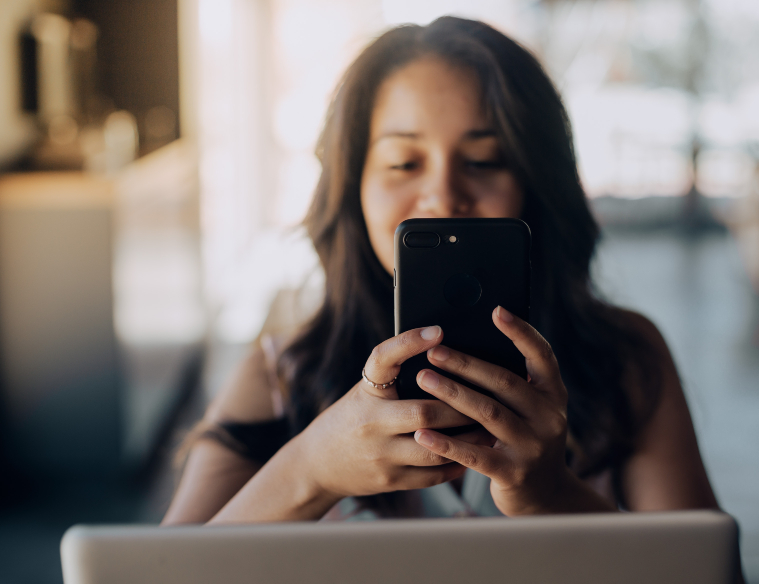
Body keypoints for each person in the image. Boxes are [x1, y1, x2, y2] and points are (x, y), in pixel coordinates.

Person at [163, 16, 721, 525]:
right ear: (352, 190)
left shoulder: (625, 361)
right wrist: (310, 470)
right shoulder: (276, 381)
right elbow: (154, 570)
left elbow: (707, 569)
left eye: (482, 161)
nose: (443, 195)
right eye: (404, 162)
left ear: (536, 184)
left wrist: (551, 497)